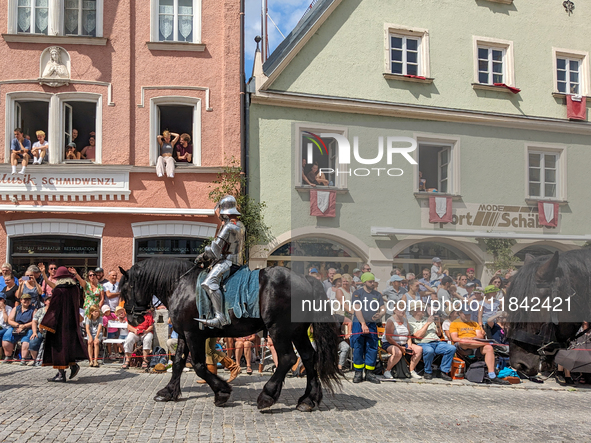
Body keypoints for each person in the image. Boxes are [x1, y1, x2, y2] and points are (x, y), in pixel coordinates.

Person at [195, 195, 246, 329]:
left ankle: (219, 317)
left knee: (208, 282)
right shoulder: (240, 225)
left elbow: (214, 252)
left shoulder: (228, 227)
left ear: (224, 212)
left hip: (227, 262)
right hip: (238, 261)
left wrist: (201, 256)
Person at [40, 266, 87, 382]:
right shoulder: (75, 289)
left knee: (59, 348)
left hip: (59, 325)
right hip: (72, 323)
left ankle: (61, 375)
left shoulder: (58, 291)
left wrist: (45, 323)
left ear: (59, 278)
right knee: (69, 346)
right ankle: (73, 365)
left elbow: (53, 309)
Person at [449, 308, 510, 385]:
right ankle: (489, 343)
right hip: (462, 346)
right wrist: (471, 339)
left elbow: (480, 336)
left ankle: (492, 375)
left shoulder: (474, 323)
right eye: (465, 314)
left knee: (489, 348)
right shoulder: (455, 323)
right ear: (460, 313)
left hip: (476, 344)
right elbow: (455, 338)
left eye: (469, 314)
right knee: (463, 341)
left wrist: (470, 339)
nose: (467, 316)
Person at [351, 272, 385, 384]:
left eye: (373, 281)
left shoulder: (377, 294)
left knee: (372, 347)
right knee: (358, 347)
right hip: (359, 324)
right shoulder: (357, 293)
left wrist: (380, 314)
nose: (373, 283)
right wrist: (363, 324)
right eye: (370, 281)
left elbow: (383, 308)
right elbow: (357, 309)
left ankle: (369, 373)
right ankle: (358, 372)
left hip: (372, 324)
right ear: (365, 282)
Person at [408, 302, 456, 381]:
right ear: (414, 311)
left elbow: (439, 333)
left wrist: (437, 324)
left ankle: (443, 371)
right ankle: (427, 371)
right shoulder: (410, 321)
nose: (423, 310)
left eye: (423, 309)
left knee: (451, 348)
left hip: (436, 341)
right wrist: (427, 323)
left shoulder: (427, 319)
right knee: (429, 350)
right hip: (423, 342)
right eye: (421, 309)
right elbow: (418, 335)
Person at [382, 306, 422, 379]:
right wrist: (400, 347)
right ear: (395, 310)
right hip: (390, 343)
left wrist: (409, 346)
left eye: (403, 309)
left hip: (404, 343)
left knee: (419, 349)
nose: (402, 311)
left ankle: (411, 370)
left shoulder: (405, 320)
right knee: (398, 352)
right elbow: (388, 337)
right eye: (400, 309)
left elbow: (408, 335)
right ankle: (387, 370)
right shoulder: (391, 321)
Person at [1, 293, 34, 364]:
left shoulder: (34, 309)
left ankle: (23, 358)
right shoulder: (16, 308)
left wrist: (24, 326)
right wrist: (18, 325)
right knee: (6, 337)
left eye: (28, 300)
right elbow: (10, 320)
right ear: (21, 300)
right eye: (24, 299)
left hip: (28, 327)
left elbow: (34, 321)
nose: (26, 301)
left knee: (26, 340)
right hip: (16, 326)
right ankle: (8, 356)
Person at [29, 296, 51, 365]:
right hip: (41, 331)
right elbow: (34, 321)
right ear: (45, 302)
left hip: (52, 333)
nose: (50, 302)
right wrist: (34, 332)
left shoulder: (56, 311)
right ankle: (35, 359)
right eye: (48, 300)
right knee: (33, 341)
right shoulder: (40, 310)